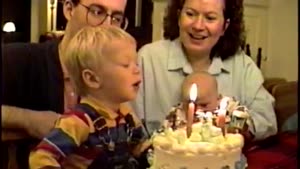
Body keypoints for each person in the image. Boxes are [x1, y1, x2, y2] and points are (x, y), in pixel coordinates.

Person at [2, 0, 129, 168]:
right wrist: (29, 120)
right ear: (69, 9)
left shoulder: (113, 80)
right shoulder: (16, 59)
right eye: (97, 12)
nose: (106, 27)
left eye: (116, 19)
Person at [131, 0, 277, 142]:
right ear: (178, 17)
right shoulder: (148, 59)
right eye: (190, 14)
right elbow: (130, 126)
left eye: (210, 18)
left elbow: (267, 121)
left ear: (225, 26)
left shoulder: (242, 65)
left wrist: (233, 125)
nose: (198, 26)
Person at [29, 26, 150, 169]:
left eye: (136, 63)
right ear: (92, 78)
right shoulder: (78, 122)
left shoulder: (127, 116)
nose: (137, 70)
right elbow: (41, 157)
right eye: (126, 65)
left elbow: (138, 150)